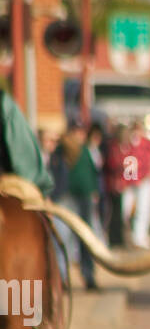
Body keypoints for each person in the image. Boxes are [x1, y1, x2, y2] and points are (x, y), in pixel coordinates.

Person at [48, 121, 99, 289]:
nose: (79, 135)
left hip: (83, 198)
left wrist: (94, 190)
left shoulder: (85, 150)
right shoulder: (61, 150)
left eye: (80, 131)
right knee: (62, 238)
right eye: (76, 131)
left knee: (85, 238)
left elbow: (93, 172)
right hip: (64, 199)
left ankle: (88, 276)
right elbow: (53, 173)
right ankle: (63, 277)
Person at [122, 119, 150, 249]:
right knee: (126, 211)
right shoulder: (126, 144)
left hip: (145, 181)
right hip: (129, 182)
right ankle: (126, 236)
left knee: (143, 210)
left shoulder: (147, 143)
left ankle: (139, 237)